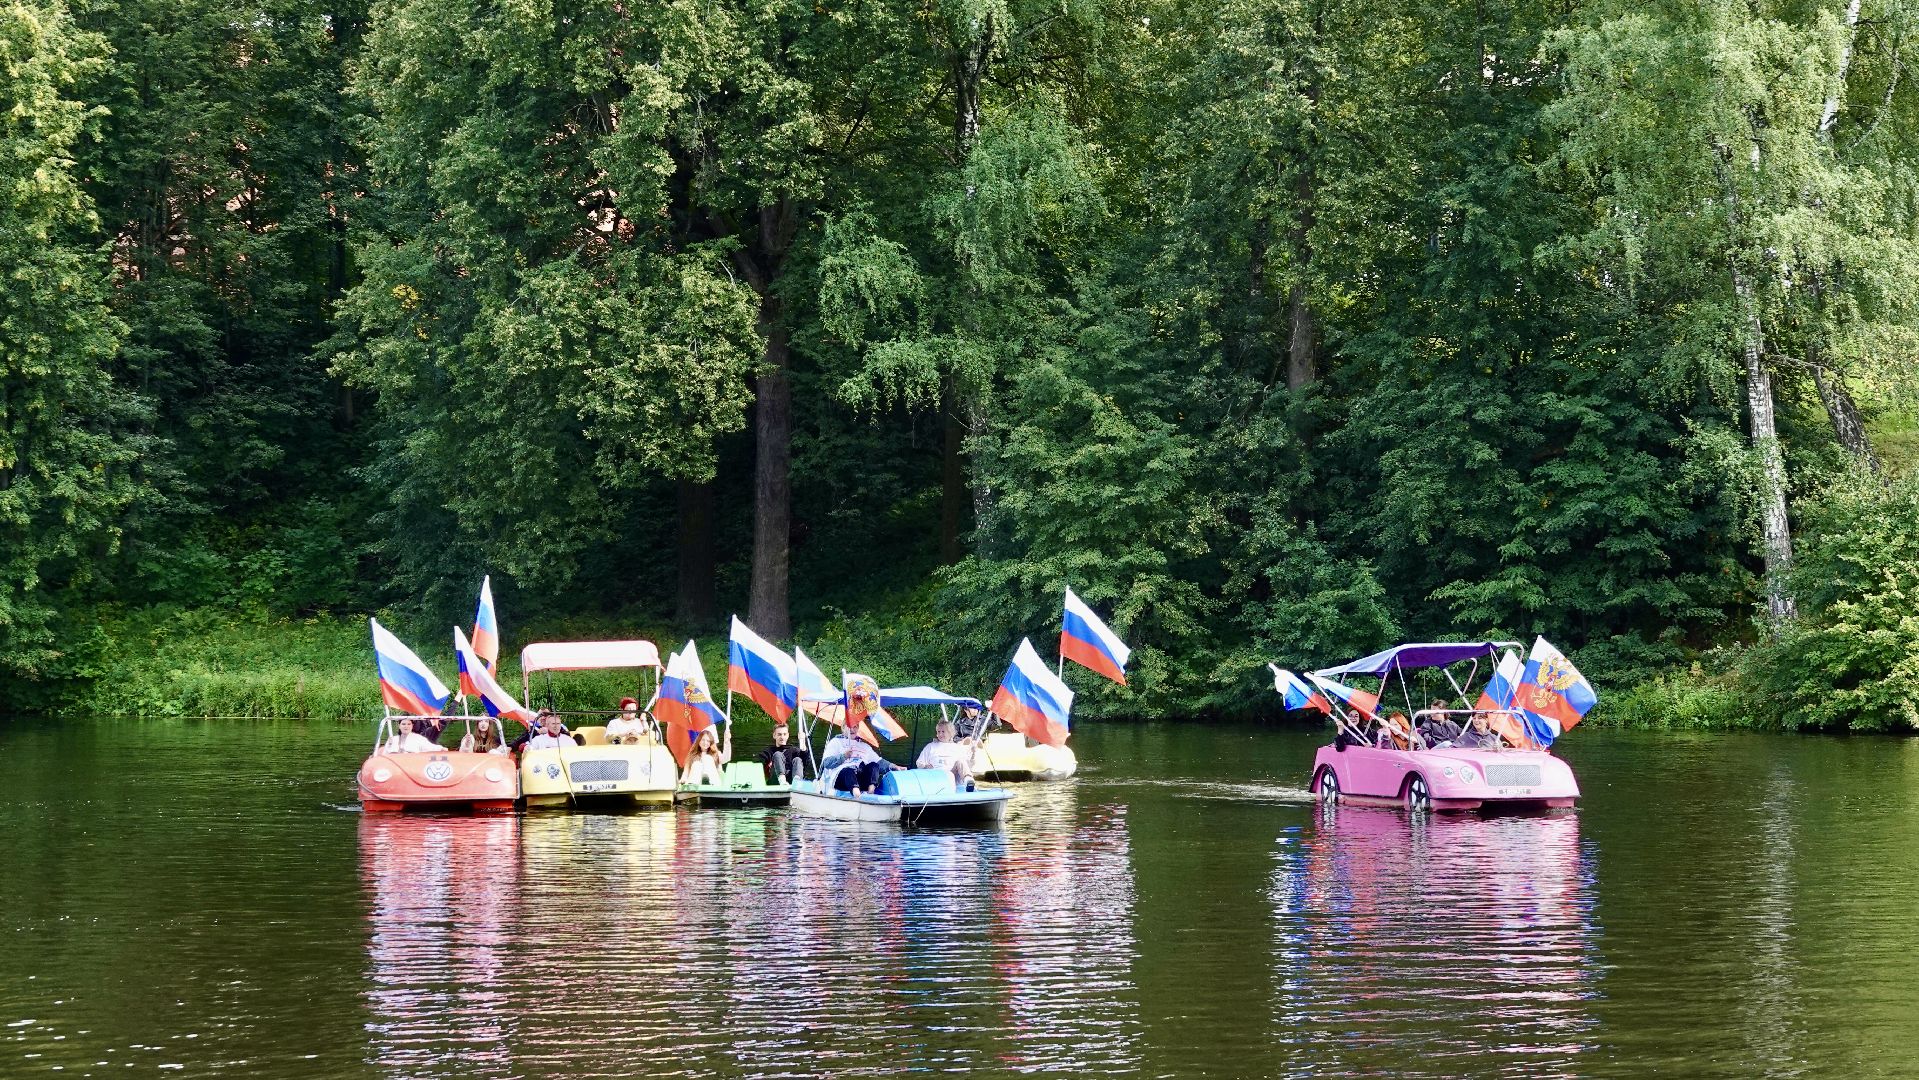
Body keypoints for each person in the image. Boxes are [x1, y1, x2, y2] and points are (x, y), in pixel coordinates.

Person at [822, 725, 897, 795]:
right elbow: (826, 763)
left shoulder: (864, 746)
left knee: (874, 765)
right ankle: (856, 794)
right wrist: (843, 756)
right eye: (849, 726)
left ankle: (871, 790)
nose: (852, 729)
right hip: (841, 779)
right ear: (843, 728)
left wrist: (894, 766)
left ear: (858, 729)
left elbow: (879, 762)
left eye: (855, 727)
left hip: (861, 779)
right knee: (849, 771)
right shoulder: (835, 742)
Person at [915, 720, 974, 788]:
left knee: (961, 762)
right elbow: (919, 762)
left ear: (950, 733)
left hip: (951, 775)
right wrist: (925, 766)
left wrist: (973, 753)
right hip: (935, 775)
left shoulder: (957, 747)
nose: (940, 734)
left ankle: (968, 781)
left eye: (943, 732)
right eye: (938, 732)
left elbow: (967, 765)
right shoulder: (930, 746)